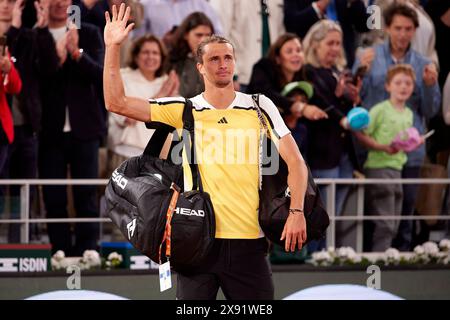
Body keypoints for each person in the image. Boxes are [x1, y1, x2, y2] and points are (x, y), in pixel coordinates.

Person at [104, 3, 308, 300]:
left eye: (228, 57)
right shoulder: (184, 109)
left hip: (250, 244)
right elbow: (116, 103)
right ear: (200, 67)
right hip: (197, 242)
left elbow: (296, 163)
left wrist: (297, 211)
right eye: (214, 59)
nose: (222, 64)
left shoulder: (259, 105)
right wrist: (112, 47)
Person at [353, 2, 441, 251]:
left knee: (405, 209)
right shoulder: (368, 55)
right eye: (398, 28)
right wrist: (361, 71)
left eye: (408, 28)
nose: (403, 34)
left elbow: (430, 110)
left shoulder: (424, 63)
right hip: (376, 149)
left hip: (410, 153)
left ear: (415, 30)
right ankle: (374, 263)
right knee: (378, 213)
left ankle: (400, 258)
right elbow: (355, 98)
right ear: (388, 28)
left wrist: (429, 85)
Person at [39, 0, 105, 255]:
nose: (58, 3)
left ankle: (89, 249)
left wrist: (77, 53)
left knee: (86, 192)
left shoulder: (89, 32)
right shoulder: (36, 36)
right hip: (48, 130)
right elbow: (35, 80)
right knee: (53, 195)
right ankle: (60, 250)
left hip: (85, 128)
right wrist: (56, 56)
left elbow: (101, 75)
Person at [1, 0, 59, 242]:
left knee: (24, 191)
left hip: (25, 127)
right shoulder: (17, 35)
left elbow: (50, 69)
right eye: (2, 1)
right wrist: (13, 31)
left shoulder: (29, 36)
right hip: (2, 129)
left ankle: (19, 246)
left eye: (12, 1)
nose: (6, 5)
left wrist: (43, 30)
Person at [355, 64, 418, 252]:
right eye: (398, 82)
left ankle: (386, 256)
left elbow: (404, 141)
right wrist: (380, 147)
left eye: (408, 83)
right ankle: (378, 261)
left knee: (396, 222)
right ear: (388, 86)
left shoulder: (409, 114)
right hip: (378, 168)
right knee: (385, 223)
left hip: (398, 169)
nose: (403, 87)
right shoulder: (380, 109)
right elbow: (359, 131)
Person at [107, 34, 179, 174]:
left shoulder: (166, 81)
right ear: (136, 56)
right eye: (145, 52)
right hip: (125, 153)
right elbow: (128, 118)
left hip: (157, 158)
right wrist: (161, 95)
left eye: (155, 53)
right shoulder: (123, 77)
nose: (150, 57)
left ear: (162, 58)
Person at [247, 33, 328, 156]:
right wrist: (301, 107)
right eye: (289, 51)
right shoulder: (263, 68)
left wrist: (344, 120)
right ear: (278, 58)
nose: (296, 54)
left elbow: (322, 102)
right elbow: (264, 94)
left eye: (299, 50)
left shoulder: (306, 74)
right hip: (258, 135)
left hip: (294, 132)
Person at [208, 0, 286, 91]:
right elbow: (220, 36)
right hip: (241, 78)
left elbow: (281, 36)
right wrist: (232, 75)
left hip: (271, 79)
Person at [283, 0, 370, 67]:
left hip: (344, 62)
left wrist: (355, 2)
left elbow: (364, 26)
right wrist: (319, 6)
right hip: (311, 65)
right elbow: (291, 25)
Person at [167, 11, 213, 98]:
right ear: (186, 35)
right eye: (199, 35)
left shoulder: (216, 59)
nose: (204, 39)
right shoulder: (172, 59)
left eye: (208, 35)